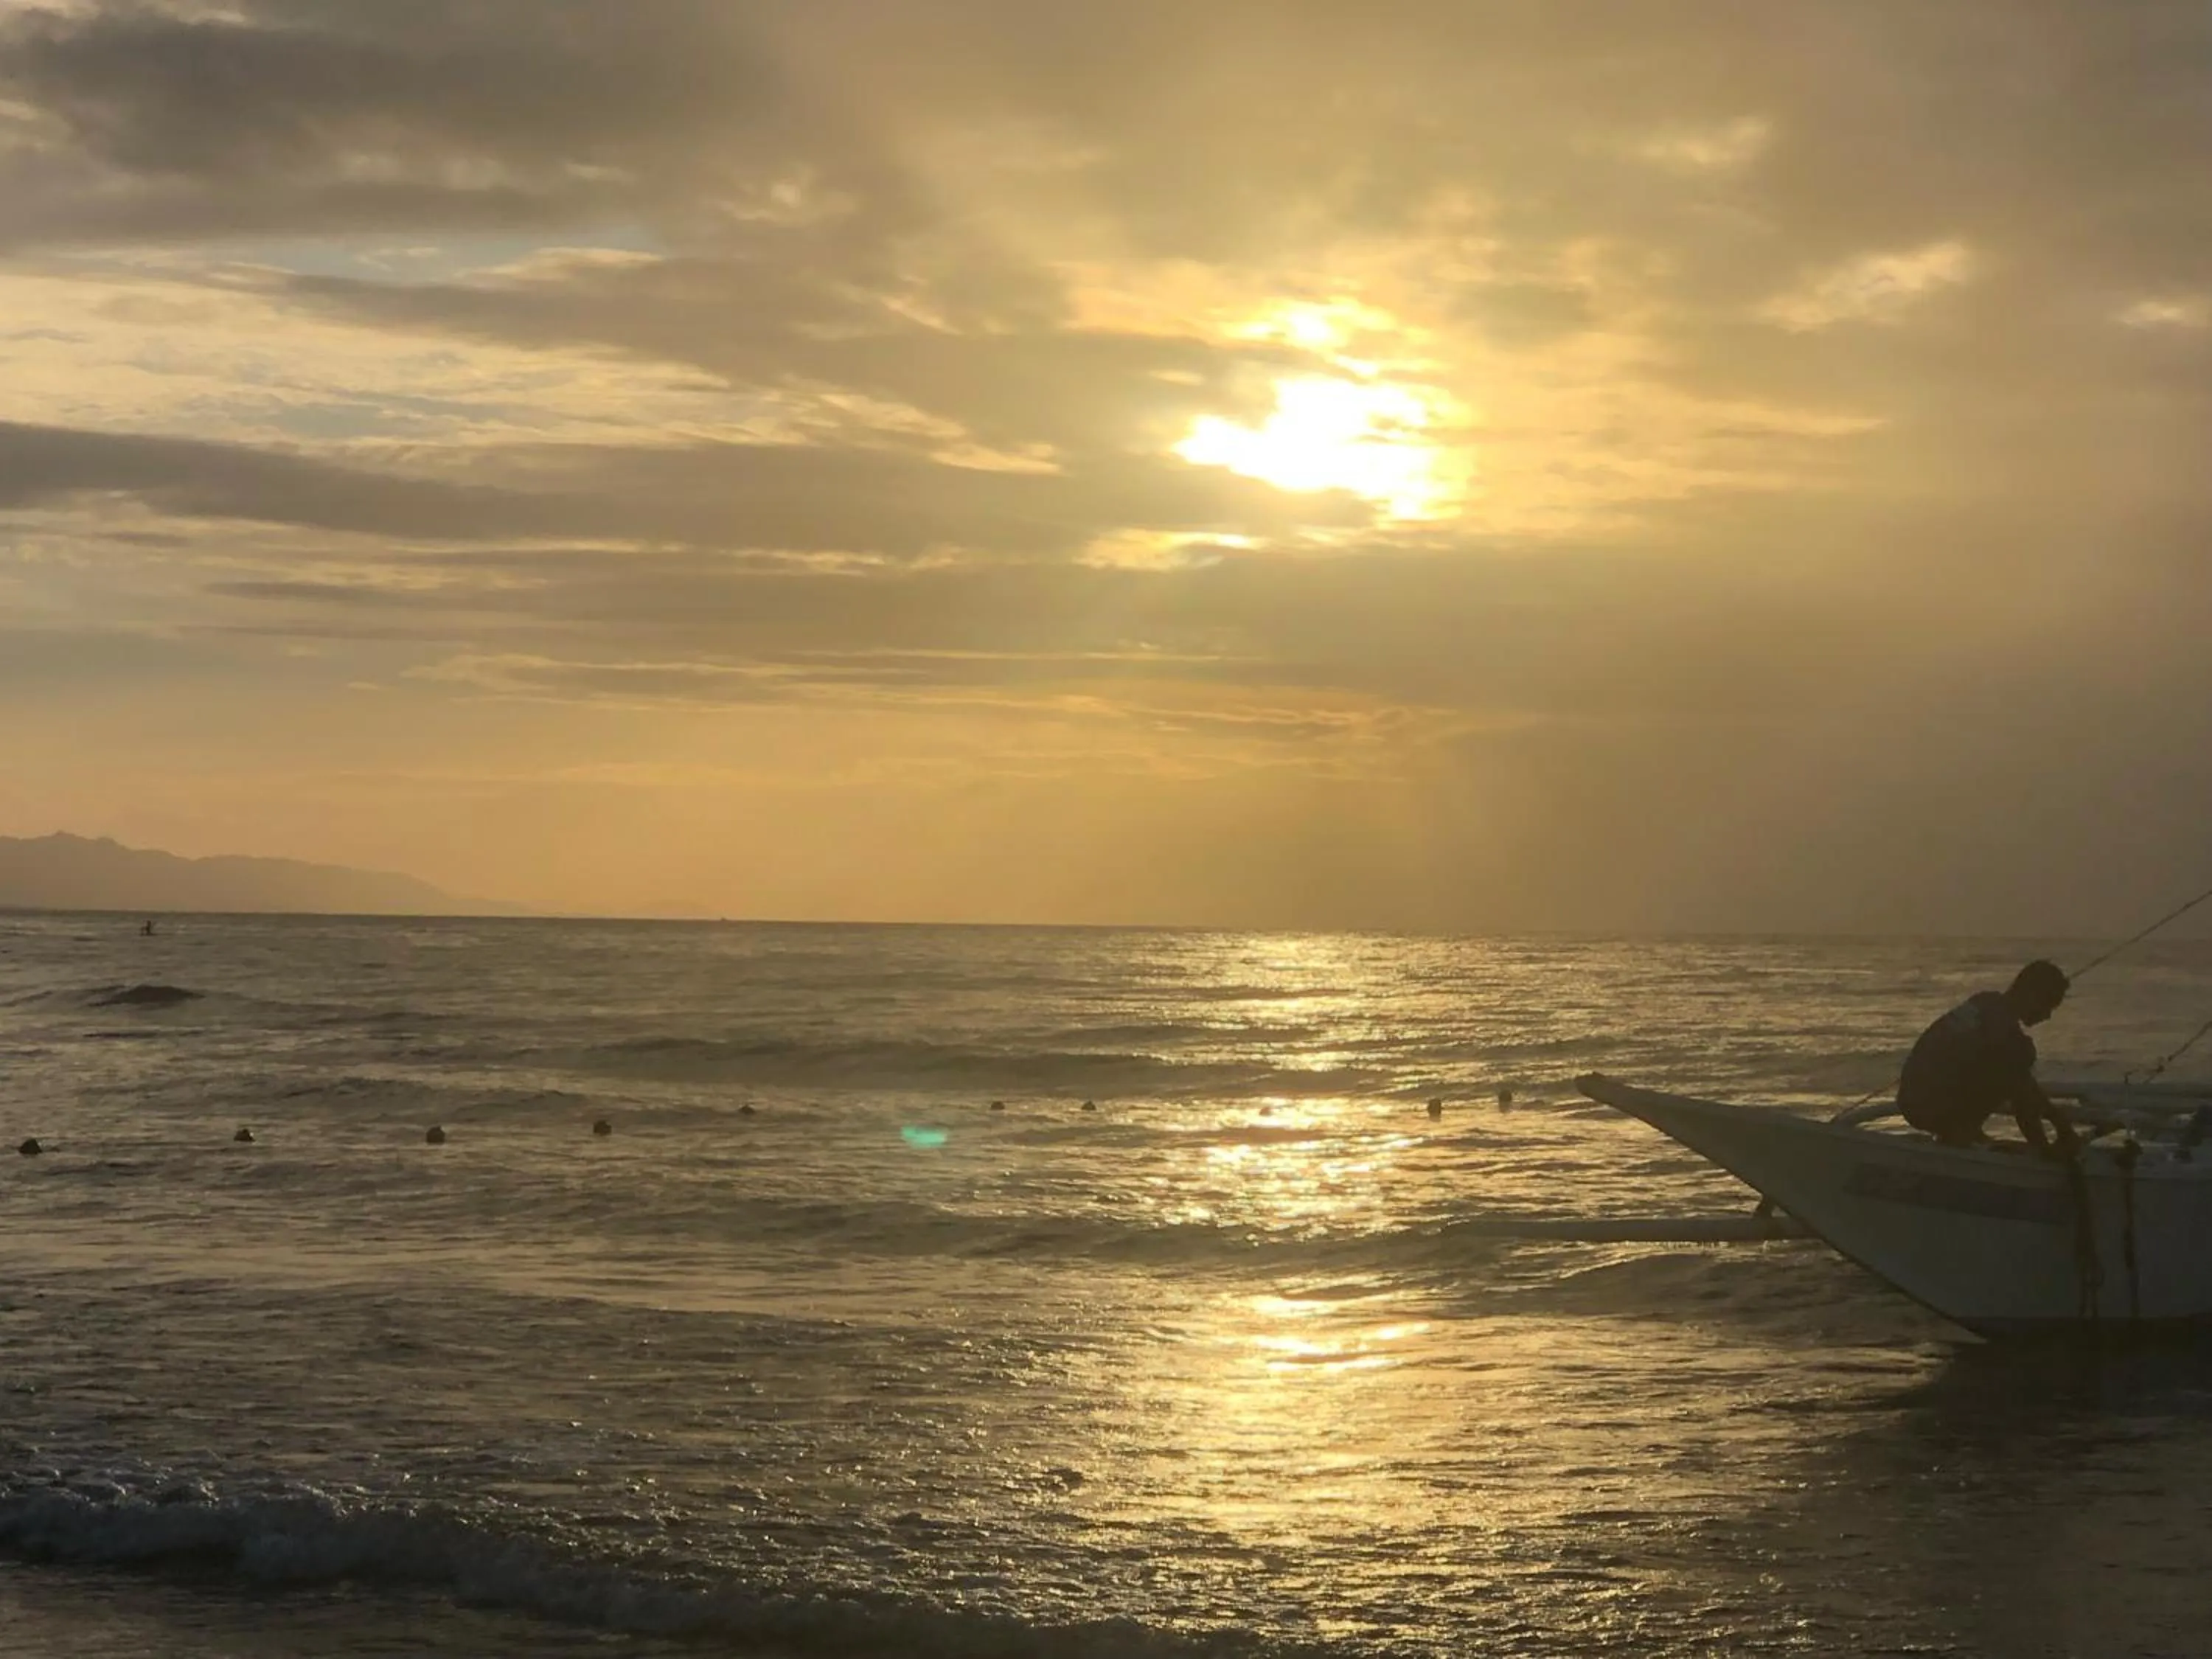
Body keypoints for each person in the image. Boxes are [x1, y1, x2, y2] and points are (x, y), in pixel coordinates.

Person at [1896, 959, 2077, 1155]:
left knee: (2011, 1060)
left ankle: (1964, 1131)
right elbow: (2020, 1091)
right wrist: (2044, 1145)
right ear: (2031, 995)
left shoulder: (1985, 1002)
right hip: (1927, 1105)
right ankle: (1959, 1134)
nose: (2048, 1015)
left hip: (1911, 1096)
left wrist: (2058, 1120)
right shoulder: (2004, 1032)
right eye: (2048, 1005)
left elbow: (2023, 1082)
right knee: (2020, 1055)